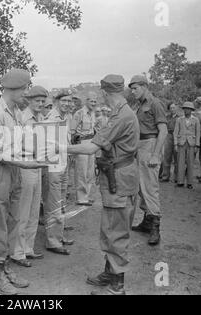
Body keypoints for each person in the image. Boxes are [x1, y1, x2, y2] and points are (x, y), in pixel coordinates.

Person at [67, 74, 140, 295]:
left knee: (116, 231)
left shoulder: (121, 117)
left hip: (119, 179)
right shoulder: (123, 113)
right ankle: (110, 273)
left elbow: (91, 148)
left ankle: (117, 287)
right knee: (111, 228)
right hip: (117, 176)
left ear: (105, 93)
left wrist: (60, 148)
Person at [0, 68, 46, 295]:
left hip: (14, 170)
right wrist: (25, 163)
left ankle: (5, 265)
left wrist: (35, 154)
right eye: (25, 89)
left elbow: (18, 145)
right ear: (14, 89)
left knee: (13, 219)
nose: (26, 94)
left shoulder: (15, 113)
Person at [9, 85, 48, 268]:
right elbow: (16, 145)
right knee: (22, 211)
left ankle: (28, 248)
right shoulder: (22, 118)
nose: (40, 104)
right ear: (29, 100)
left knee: (34, 209)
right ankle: (17, 252)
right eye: (37, 100)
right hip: (25, 164)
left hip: (38, 165)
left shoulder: (40, 118)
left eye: (43, 101)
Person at [129, 75, 168, 246]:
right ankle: (146, 221)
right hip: (139, 145)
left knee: (150, 187)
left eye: (135, 88)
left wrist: (155, 154)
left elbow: (164, 131)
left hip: (150, 145)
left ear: (145, 86)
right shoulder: (140, 105)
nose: (133, 91)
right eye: (131, 88)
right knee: (140, 186)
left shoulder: (155, 103)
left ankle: (155, 227)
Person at [42, 90, 75, 256]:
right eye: (64, 101)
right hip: (54, 165)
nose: (67, 104)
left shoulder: (66, 118)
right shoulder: (50, 119)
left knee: (61, 201)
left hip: (64, 163)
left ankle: (59, 236)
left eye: (70, 101)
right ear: (56, 101)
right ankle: (53, 241)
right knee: (54, 203)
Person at [71, 91, 97, 205]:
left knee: (90, 172)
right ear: (86, 101)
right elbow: (72, 131)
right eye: (91, 101)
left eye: (95, 101)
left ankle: (87, 194)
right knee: (82, 171)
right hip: (82, 143)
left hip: (91, 142)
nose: (93, 103)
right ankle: (81, 198)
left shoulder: (93, 113)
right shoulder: (79, 113)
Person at [174, 102, 200, 189]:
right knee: (180, 162)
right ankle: (180, 181)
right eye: (185, 108)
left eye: (188, 109)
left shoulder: (196, 120)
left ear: (191, 110)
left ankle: (190, 182)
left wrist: (197, 145)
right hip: (181, 142)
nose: (186, 110)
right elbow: (175, 132)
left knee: (190, 162)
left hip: (191, 143)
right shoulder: (179, 119)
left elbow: (198, 133)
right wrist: (175, 144)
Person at [160, 103, 179, 183]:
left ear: (176, 108)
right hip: (168, 136)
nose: (172, 109)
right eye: (171, 108)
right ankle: (165, 176)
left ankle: (176, 177)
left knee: (177, 158)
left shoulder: (180, 118)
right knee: (167, 157)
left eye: (174, 108)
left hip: (177, 137)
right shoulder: (167, 117)